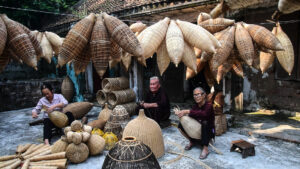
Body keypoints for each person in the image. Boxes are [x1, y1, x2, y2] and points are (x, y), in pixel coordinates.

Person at [176, 87, 215, 159]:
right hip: (199, 130)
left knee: (205, 122)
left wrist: (188, 111)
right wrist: (182, 114)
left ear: (204, 95)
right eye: (195, 95)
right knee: (181, 125)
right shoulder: (195, 106)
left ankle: (205, 148)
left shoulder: (209, 106)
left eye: (198, 94)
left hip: (209, 131)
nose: (196, 97)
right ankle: (192, 141)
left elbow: (204, 114)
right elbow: (192, 116)